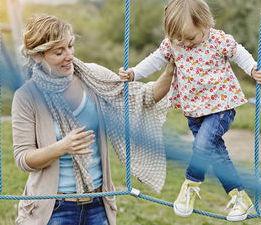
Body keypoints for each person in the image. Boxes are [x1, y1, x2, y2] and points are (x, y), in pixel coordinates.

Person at [12, 14, 174, 225]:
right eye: (58, 52)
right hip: (53, 209)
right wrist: (62, 147)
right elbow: (23, 159)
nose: (69, 55)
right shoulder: (27, 96)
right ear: (37, 56)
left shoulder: (93, 76)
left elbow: (143, 97)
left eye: (70, 46)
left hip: (98, 205)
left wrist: (171, 70)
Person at [119, 0, 261, 222]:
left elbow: (239, 53)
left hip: (221, 106)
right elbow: (155, 59)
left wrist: (253, 69)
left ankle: (190, 184)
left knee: (201, 146)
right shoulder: (174, 43)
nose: (184, 43)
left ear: (205, 23)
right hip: (193, 111)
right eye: (178, 39)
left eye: (189, 37)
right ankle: (240, 198)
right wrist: (134, 73)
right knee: (217, 155)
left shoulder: (218, 40)